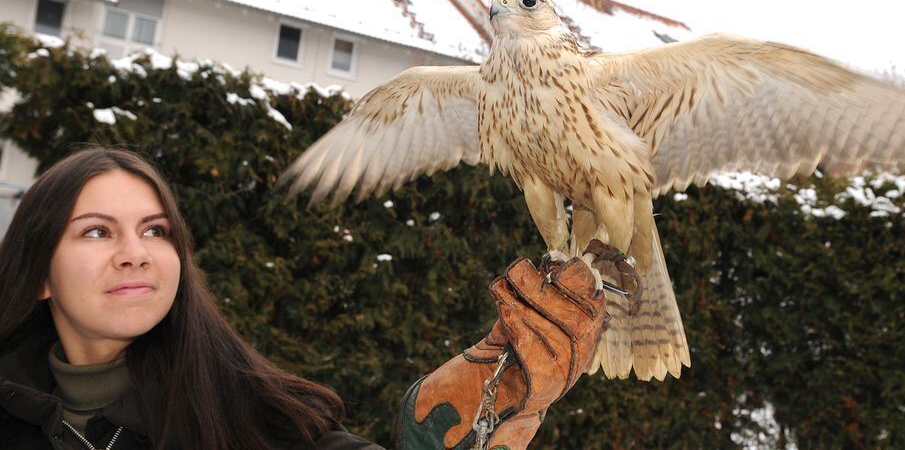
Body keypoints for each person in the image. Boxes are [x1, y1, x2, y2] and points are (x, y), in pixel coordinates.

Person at [0, 147, 620, 449]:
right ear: (39, 274)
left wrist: (454, 430)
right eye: (96, 231)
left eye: (156, 230)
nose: (135, 252)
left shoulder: (253, 419)